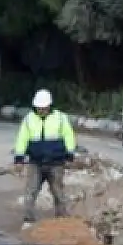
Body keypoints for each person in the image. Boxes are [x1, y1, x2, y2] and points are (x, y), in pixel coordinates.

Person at [13, 89, 77, 223]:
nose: (41, 110)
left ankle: (62, 218)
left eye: (44, 108)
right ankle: (28, 218)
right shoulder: (29, 119)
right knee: (31, 191)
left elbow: (68, 135)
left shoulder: (60, 118)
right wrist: (19, 158)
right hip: (36, 162)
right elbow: (22, 138)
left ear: (49, 106)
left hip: (56, 162)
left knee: (58, 191)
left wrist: (70, 154)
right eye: (39, 108)